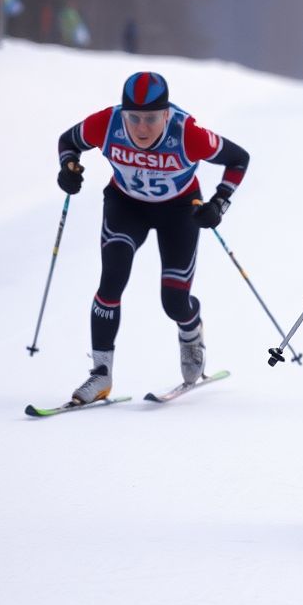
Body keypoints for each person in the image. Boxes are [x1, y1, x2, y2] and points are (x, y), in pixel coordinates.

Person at [56, 72, 250, 404]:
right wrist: (68, 168)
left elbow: (238, 159)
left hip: (178, 211)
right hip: (126, 206)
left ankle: (191, 332)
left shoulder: (188, 133)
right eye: (133, 118)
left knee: (173, 300)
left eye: (150, 118)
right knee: (111, 280)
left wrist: (218, 203)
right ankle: (100, 375)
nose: (141, 128)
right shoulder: (106, 123)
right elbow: (68, 141)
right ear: (123, 113)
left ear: (166, 114)